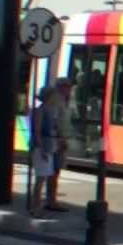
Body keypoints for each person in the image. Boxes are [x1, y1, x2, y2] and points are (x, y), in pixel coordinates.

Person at [28, 86, 60, 217]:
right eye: (54, 95)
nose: (56, 98)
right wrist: (41, 149)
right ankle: (35, 208)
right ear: (49, 96)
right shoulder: (41, 110)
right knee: (40, 179)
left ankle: (36, 207)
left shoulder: (50, 110)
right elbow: (37, 131)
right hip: (42, 148)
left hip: (48, 147)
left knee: (43, 178)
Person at [44, 77, 74, 212]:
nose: (70, 89)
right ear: (61, 87)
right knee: (53, 171)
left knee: (56, 170)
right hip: (57, 141)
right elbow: (54, 121)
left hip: (61, 139)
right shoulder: (56, 101)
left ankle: (51, 199)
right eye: (67, 86)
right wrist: (61, 139)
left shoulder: (66, 101)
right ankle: (51, 200)